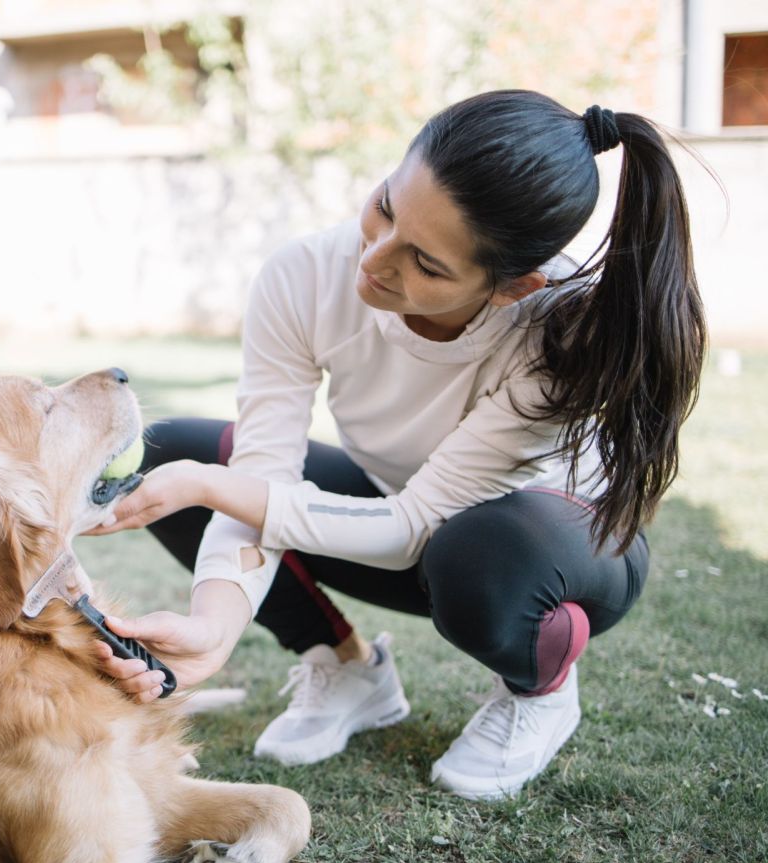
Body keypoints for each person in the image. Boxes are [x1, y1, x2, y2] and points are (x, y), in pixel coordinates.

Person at [82, 89, 706, 800]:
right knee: (177, 450)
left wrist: (212, 485)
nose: (375, 260)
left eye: (426, 264)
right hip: (405, 518)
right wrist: (214, 626)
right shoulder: (304, 275)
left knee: (477, 551)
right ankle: (347, 667)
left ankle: (541, 690)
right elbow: (263, 469)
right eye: (386, 205)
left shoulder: (555, 336)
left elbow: (415, 528)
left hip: (550, 553)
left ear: (511, 288)